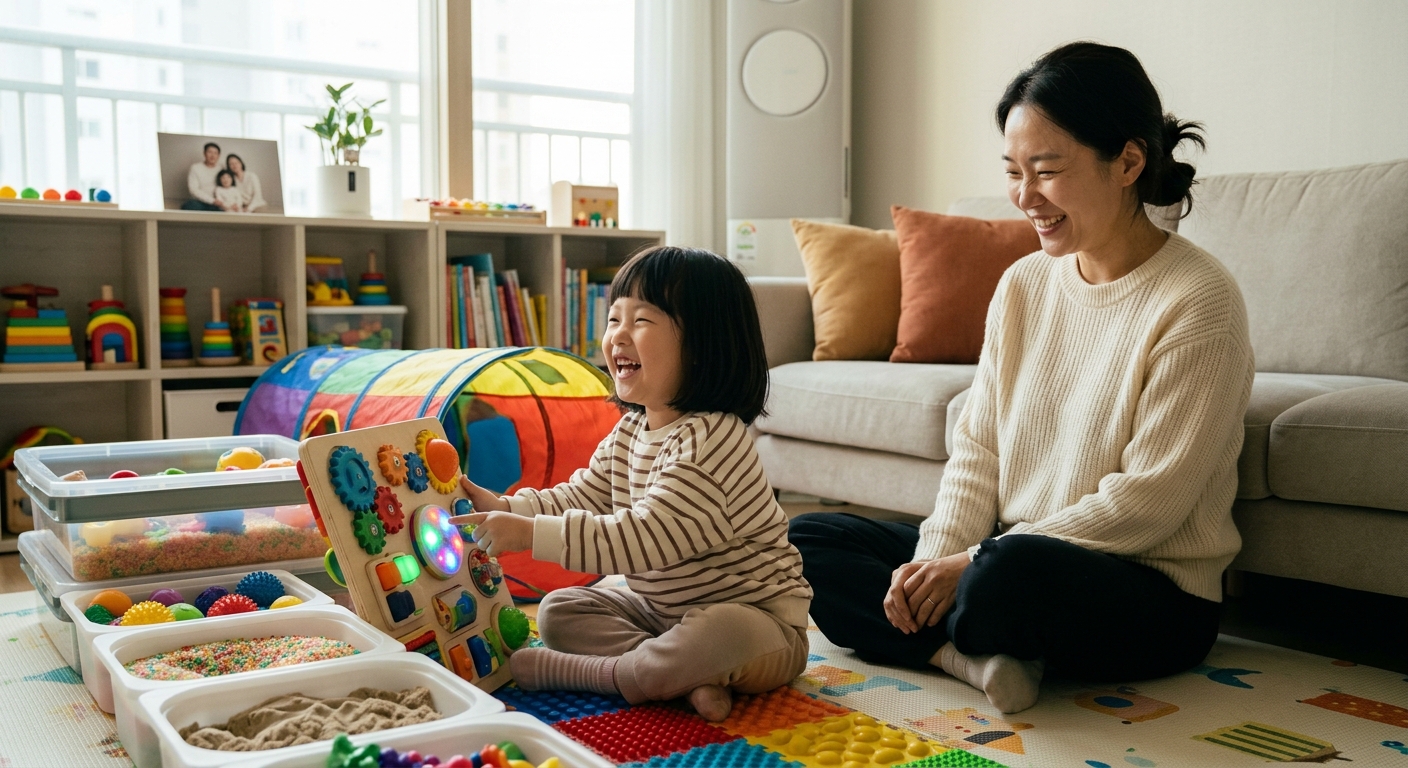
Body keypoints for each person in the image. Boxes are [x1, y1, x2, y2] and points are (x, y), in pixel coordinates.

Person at [789, 41, 1254, 715]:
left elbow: (1153, 501)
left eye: (1047, 170)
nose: (1025, 197)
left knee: (1001, 580)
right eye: (1014, 171)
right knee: (805, 541)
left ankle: (962, 634)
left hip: (1149, 589)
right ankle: (968, 658)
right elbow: (979, 449)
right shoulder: (1023, 284)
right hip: (1009, 551)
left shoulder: (1199, 298)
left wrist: (971, 564)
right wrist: (936, 563)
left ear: (1128, 161)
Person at [453, 246, 811, 722]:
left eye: (641, 321)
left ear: (705, 345)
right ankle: (676, 677)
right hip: (661, 612)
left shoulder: (714, 441)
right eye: (613, 319)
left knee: (716, 634)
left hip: (760, 621)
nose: (618, 336)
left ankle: (619, 674)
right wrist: (508, 507)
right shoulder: (632, 429)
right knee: (560, 610)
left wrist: (528, 537)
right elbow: (581, 496)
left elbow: (643, 538)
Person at [182, 142, 225, 211]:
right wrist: (212, 200)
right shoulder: (195, 168)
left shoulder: (222, 168)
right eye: (210, 152)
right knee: (188, 206)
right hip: (199, 202)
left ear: (218, 156)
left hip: (217, 203)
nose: (212, 155)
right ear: (204, 153)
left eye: (215, 153)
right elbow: (193, 190)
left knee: (222, 211)